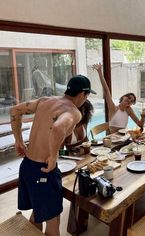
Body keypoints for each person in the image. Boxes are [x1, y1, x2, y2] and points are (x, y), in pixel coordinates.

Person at [10, 75, 96, 236]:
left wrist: (19, 141)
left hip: (27, 166)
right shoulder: (74, 112)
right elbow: (57, 128)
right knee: (53, 220)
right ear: (82, 95)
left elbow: (14, 110)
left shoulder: (45, 100)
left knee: (38, 213)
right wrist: (53, 156)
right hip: (43, 171)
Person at [93, 63, 145, 133]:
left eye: (131, 101)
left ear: (130, 104)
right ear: (123, 97)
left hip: (124, 138)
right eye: (128, 97)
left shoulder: (129, 110)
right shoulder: (113, 108)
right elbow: (106, 90)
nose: (129, 100)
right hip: (113, 139)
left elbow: (140, 125)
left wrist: (143, 117)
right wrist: (100, 72)